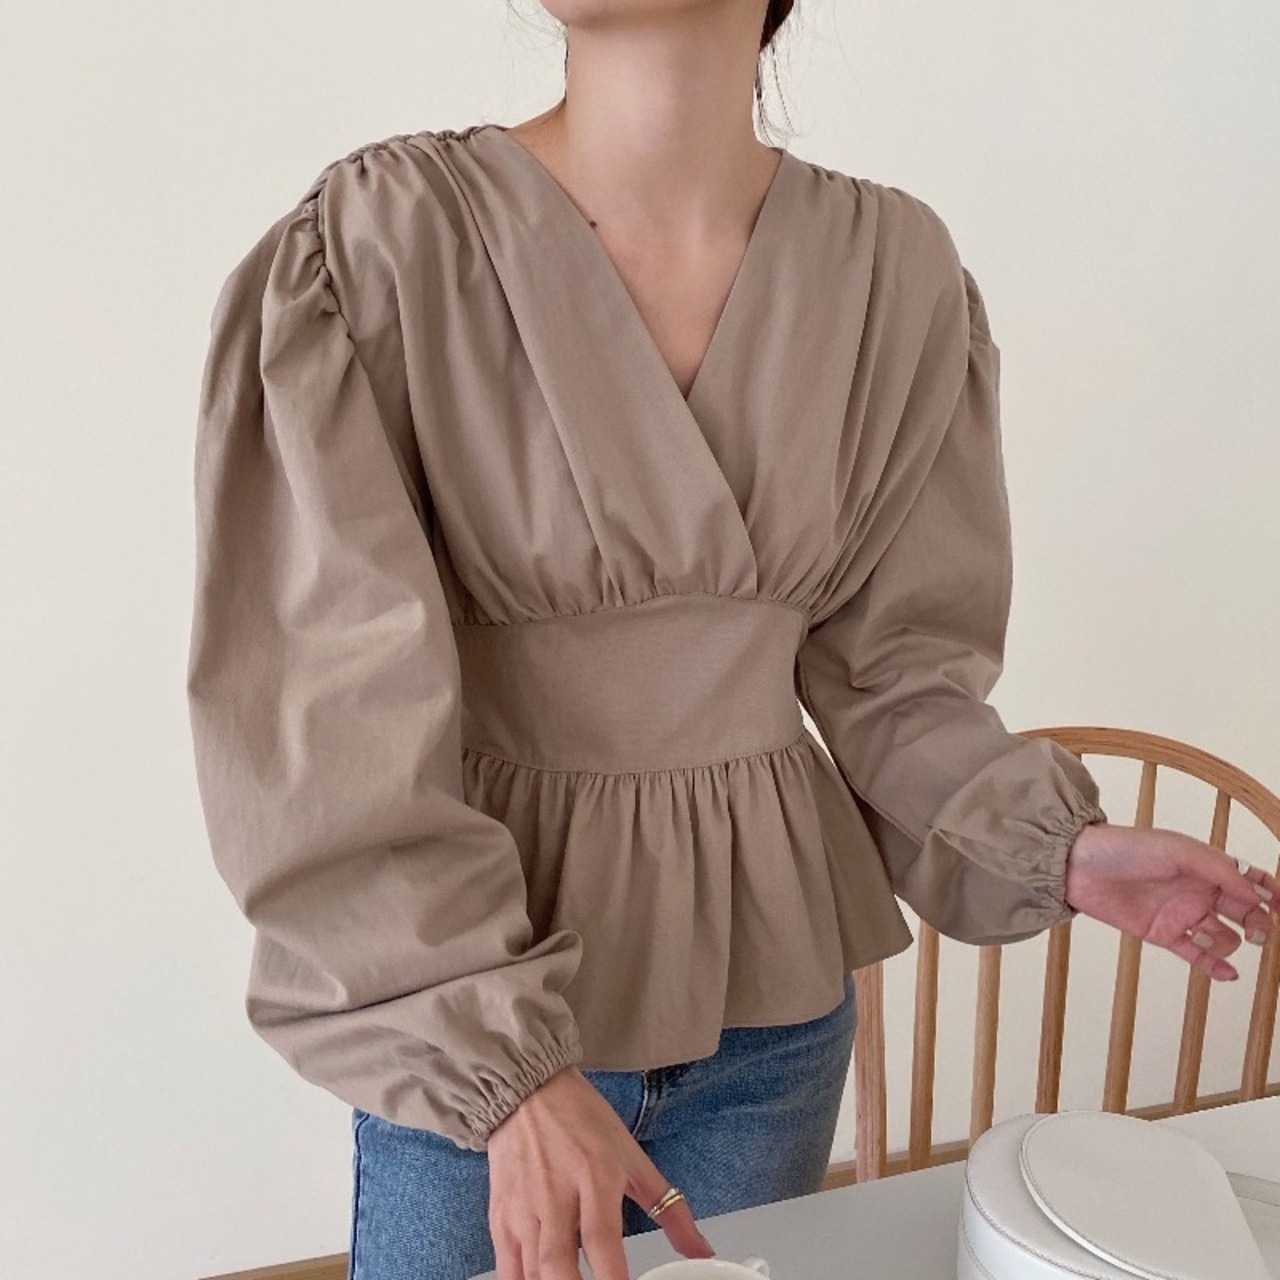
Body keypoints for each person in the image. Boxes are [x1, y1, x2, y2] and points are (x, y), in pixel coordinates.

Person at [185, 2, 1280, 1278]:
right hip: (488, 1018)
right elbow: (327, 716)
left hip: (771, 1017)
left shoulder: (891, 273)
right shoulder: (380, 244)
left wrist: (1055, 846)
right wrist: (504, 1070)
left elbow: (893, 676)